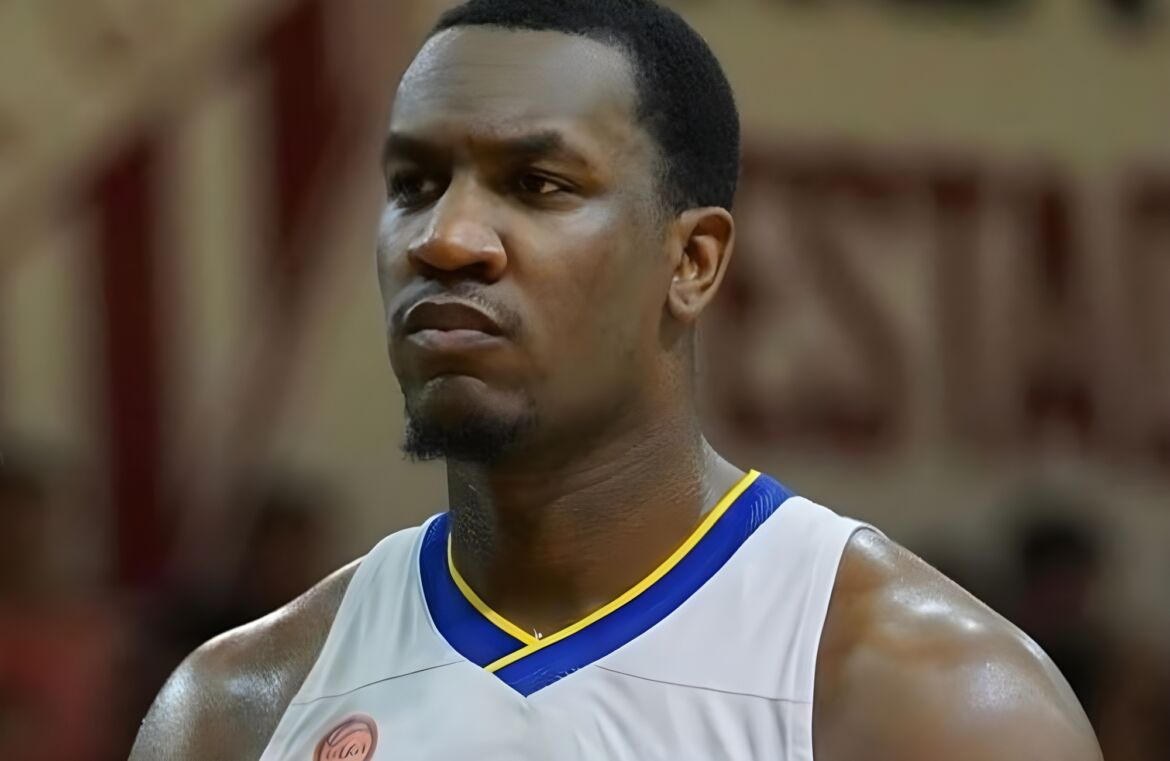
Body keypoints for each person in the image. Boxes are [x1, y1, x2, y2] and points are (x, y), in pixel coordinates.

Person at [129, 1, 1103, 758]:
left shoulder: (933, 701)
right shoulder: (237, 708)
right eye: (414, 184)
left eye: (537, 184)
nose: (447, 238)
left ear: (693, 262)